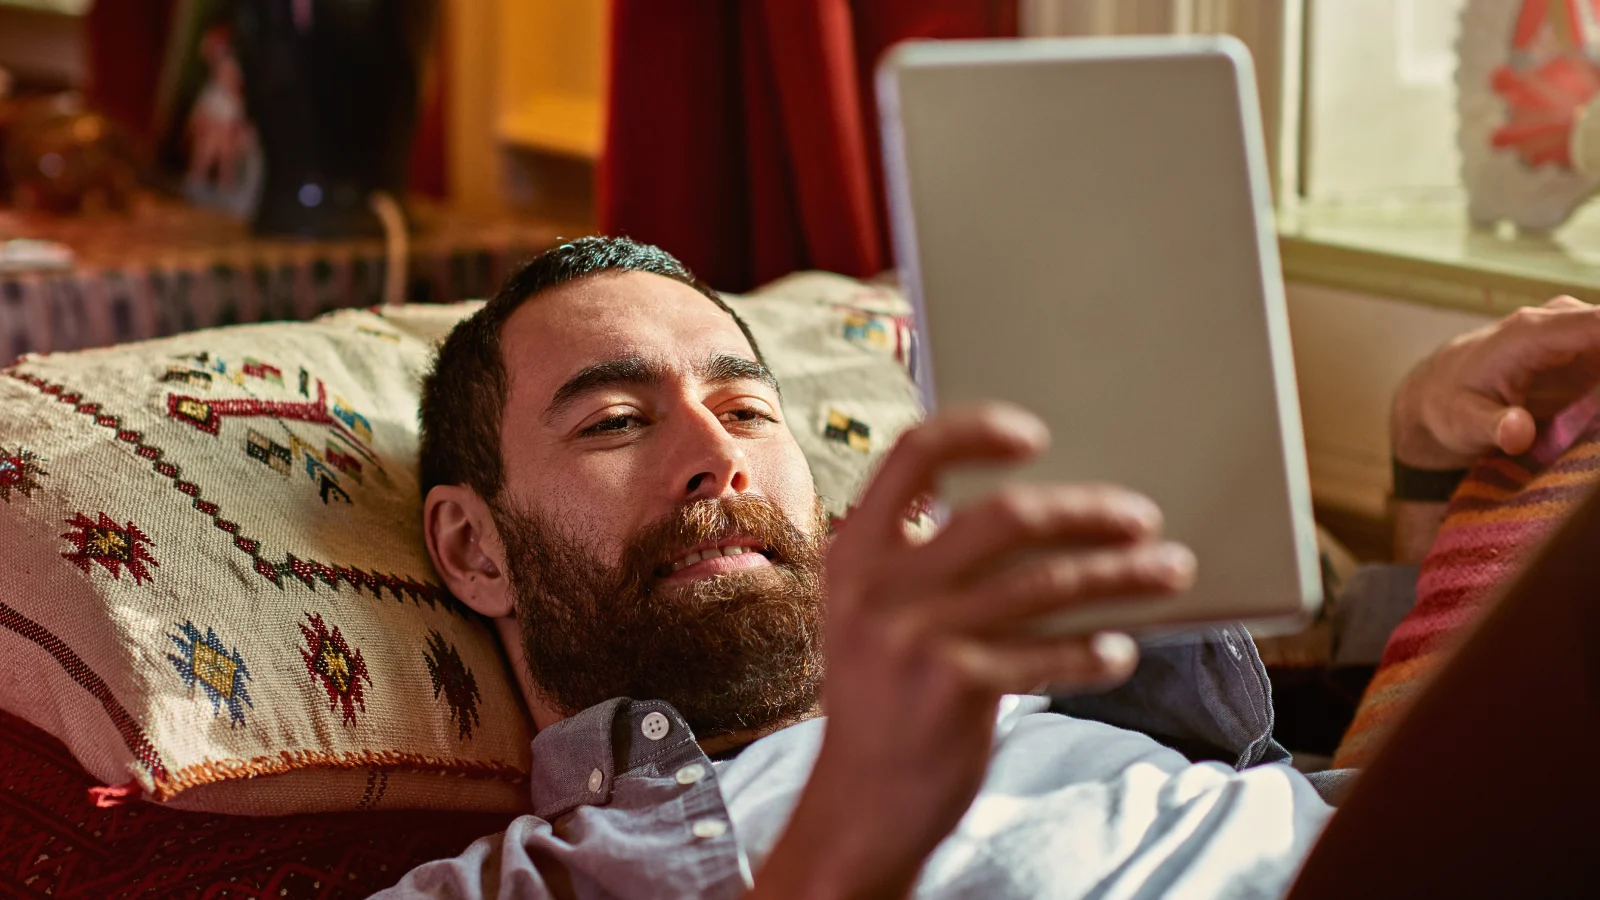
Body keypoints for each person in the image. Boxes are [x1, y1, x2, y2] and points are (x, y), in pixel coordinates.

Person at [374, 236, 1600, 899]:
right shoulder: (538, 883)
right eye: (615, 423)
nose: (717, 460)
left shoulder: (1065, 672)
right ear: (473, 547)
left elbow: (1393, 782)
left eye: (748, 410)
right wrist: (849, 839)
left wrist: (1429, 475)